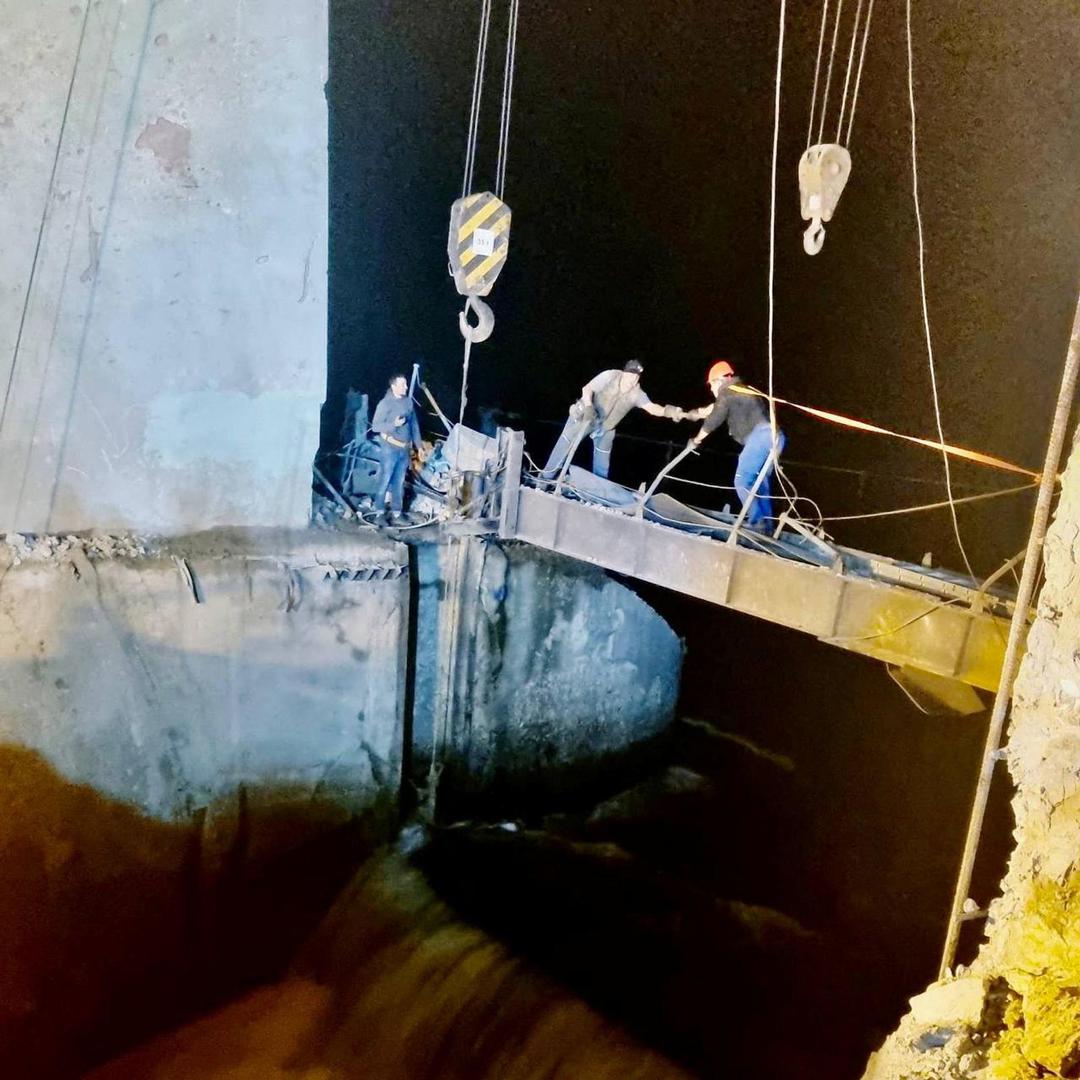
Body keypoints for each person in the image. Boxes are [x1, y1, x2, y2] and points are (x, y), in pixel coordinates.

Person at [541, 359, 685, 481]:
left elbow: (653, 408)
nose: (632, 381)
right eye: (630, 376)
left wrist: (670, 411)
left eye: (636, 378)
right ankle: (545, 480)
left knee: (602, 463)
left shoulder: (637, 394)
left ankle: (597, 495)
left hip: (605, 428)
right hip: (588, 416)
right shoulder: (610, 376)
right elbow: (587, 389)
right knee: (565, 445)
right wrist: (589, 406)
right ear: (624, 373)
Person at [686, 360, 785, 529]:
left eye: (711, 385)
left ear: (719, 381)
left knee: (743, 479)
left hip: (761, 436)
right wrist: (694, 414)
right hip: (777, 438)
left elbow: (714, 419)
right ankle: (765, 525)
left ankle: (757, 522)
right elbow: (714, 409)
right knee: (759, 483)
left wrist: (696, 440)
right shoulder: (741, 390)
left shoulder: (726, 393)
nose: (711, 389)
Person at [371, 373, 421, 522]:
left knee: (398, 483)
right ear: (393, 386)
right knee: (385, 480)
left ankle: (397, 514)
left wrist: (419, 445)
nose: (405, 387)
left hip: (404, 450)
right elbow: (375, 426)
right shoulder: (384, 404)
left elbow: (414, 425)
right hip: (389, 449)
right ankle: (379, 513)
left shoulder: (408, 403)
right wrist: (394, 425)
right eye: (402, 384)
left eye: (406, 384)